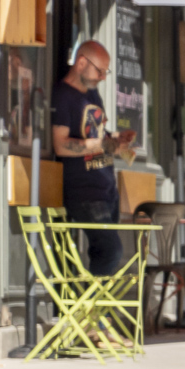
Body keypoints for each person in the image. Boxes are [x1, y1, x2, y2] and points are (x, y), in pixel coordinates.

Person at [51, 41, 136, 276]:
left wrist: (117, 140)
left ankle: (95, 308)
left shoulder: (92, 95)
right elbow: (60, 145)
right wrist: (103, 144)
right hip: (84, 190)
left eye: (105, 72)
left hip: (107, 187)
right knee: (111, 250)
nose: (102, 77)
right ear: (81, 63)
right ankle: (93, 308)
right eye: (100, 71)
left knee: (105, 252)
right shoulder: (63, 96)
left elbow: (96, 135)